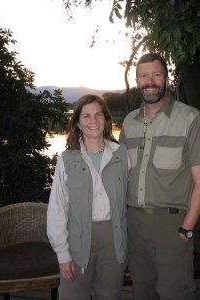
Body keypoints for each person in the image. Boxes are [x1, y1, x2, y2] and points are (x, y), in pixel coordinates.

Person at [119, 53, 200, 300]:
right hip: (134, 225)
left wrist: (187, 229)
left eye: (156, 74)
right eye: (143, 75)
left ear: (166, 78)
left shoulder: (190, 119)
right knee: (143, 292)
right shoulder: (129, 122)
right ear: (137, 80)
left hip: (172, 226)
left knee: (177, 294)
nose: (149, 81)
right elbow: (120, 175)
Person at [47, 94, 128, 300]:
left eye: (98, 115)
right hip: (77, 239)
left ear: (106, 120)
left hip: (113, 238)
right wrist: (62, 254)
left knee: (110, 296)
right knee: (71, 295)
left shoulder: (122, 155)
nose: (93, 121)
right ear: (78, 123)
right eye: (86, 116)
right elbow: (57, 208)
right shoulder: (67, 159)